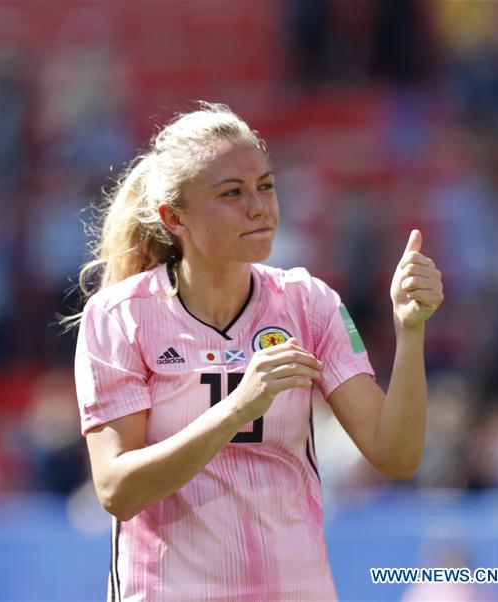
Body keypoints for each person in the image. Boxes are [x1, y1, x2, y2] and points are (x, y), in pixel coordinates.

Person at [72, 102, 444, 601]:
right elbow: (118, 490)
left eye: (266, 186)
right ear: (173, 217)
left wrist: (410, 331)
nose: (259, 206)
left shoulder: (307, 303)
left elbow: (396, 456)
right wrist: (236, 409)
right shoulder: (119, 316)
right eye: (232, 193)